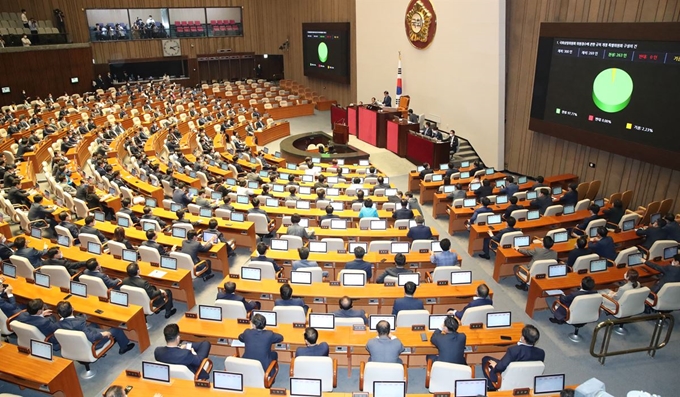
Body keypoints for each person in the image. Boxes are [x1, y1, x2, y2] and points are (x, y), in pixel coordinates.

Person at [56, 301, 134, 354]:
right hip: (92, 344)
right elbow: (92, 338)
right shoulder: (79, 323)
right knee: (116, 329)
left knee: (94, 323)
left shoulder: (58, 324)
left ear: (59, 314)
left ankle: (112, 338)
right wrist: (103, 334)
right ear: (72, 309)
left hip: (75, 345)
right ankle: (124, 348)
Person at [482, 325, 545, 390]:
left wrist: (496, 366)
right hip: (527, 379)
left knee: (486, 359)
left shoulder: (513, 350)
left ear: (523, 338)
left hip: (509, 377)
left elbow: (501, 366)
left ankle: (491, 388)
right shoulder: (541, 353)